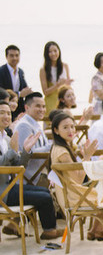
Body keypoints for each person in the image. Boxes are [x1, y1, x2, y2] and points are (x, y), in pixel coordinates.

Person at [0, 99, 62, 240]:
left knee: (45, 191)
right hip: (3, 192)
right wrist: (12, 152)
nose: (6, 117)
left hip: (11, 187)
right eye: (2, 113)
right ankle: (49, 231)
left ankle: (44, 228)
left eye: (9, 113)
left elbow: (17, 167)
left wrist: (26, 151)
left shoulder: (6, 138)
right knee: (44, 197)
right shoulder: (9, 140)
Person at [48, 111, 103, 240]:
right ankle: (98, 231)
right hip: (73, 196)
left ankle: (95, 231)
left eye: (72, 126)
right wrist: (86, 157)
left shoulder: (64, 147)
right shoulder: (62, 152)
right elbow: (78, 179)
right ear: (56, 130)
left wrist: (84, 156)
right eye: (65, 127)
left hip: (72, 191)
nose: (70, 130)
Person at [12, 92, 51, 185]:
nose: (42, 110)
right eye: (38, 106)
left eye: (43, 106)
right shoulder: (24, 125)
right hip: (28, 179)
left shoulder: (35, 123)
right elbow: (30, 154)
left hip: (40, 175)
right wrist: (53, 146)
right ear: (27, 107)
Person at [39, 42, 72, 114]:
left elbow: (68, 86)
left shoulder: (65, 66)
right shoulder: (43, 70)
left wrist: (68, 83)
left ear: (59, 51)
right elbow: (45, 92)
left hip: (64, 103)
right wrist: (57, 85)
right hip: (51, 103)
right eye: (50, 52)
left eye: (55, 51)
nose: (53, 54)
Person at [0, 45, 31, 115]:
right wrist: (19, 94)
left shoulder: (20, 72)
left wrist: (28, 91)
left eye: (17, 55)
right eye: (11, 56)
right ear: (6, 57)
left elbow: (24, 87)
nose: (14, 58)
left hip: (19, 108)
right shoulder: (1, 71)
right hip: (6, 107)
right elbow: (1, 92)